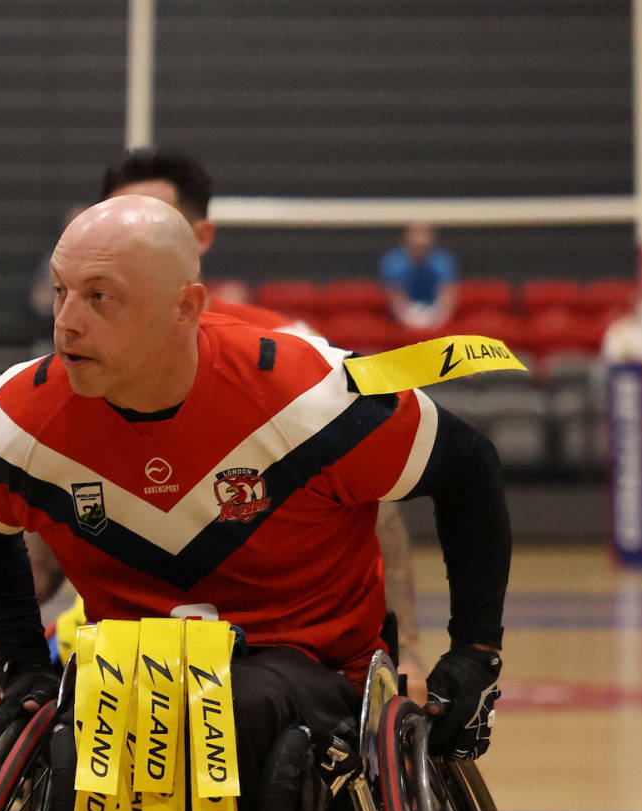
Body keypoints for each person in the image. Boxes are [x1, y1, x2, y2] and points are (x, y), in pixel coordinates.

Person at [0, 196, 508, 811]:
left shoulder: (311, 395)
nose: (67, 322)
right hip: (134, 664)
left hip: (308, 659)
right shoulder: (18, 416)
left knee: (235, 708)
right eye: (60, 293)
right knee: (91, 714)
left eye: (100, 297)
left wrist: (475, 653)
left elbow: (469, 470)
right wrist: (20, 660)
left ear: (188, 307)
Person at [101, 147, 428, 697]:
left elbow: (376, 506)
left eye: (154, 226)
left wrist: (411, 644)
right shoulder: (84, 365)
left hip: (281, 639)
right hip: (133, 643)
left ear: (199, 238)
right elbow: (57, 491)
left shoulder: (292, 350)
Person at [381, 222, 459, 331]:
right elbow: (395, 297)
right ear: (407, 242)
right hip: (404, 314)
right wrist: (409, 321)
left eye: (424, 247)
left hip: (434, 312)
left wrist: (437, 323)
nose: (420, 251)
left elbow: (447, 295)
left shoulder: (443, 261)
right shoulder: (393, 261)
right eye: (416, 247)